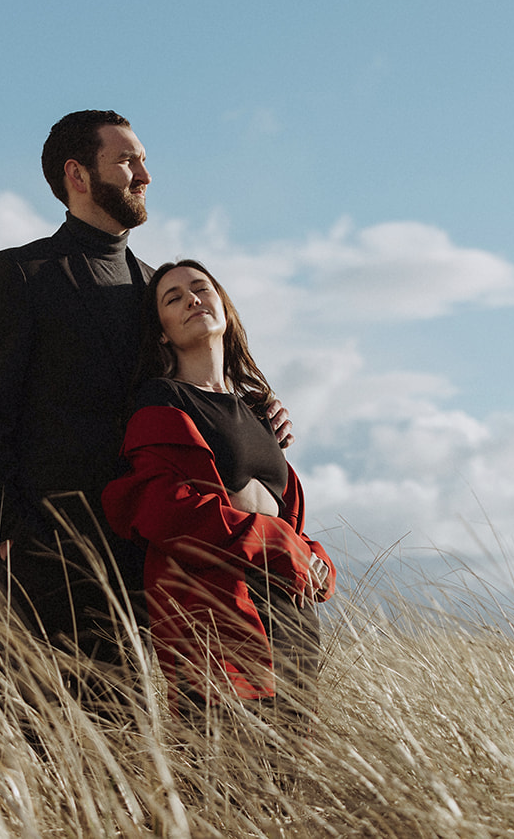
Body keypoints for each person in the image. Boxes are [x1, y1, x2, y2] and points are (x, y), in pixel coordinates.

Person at [0, 112, 292, 726]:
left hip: (154, 567)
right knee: (47, 754)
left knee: (145, 762)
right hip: (52, 563)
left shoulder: (153, 290)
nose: (145, 173)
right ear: (77, 174)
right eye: (128, 161)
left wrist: (254, 412)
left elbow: (195, 392)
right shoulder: (22, 273)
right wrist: (8, 550)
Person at [101, 259, 334, 733]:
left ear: (223, 307)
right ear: (162, 333)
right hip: (216, 610)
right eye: (173, 297)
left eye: (201, 288)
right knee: (224, 771)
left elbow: (287, 516)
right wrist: (276, 544)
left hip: (289, 610)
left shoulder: (257, 410)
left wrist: (312, 558)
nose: (192, 299)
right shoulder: (162, 400)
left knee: (290, 770)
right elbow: (166, 510)